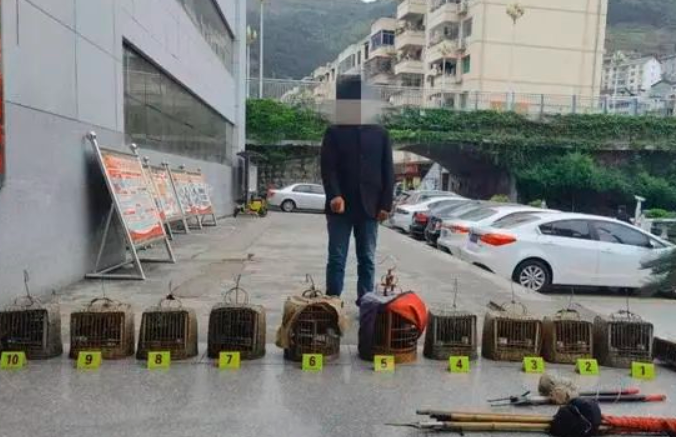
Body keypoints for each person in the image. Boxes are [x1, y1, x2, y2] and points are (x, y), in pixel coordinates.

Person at [321, 75, 395, 307]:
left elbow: (388, 171)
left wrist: (385, 204)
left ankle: (366, 303)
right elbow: (328, 168)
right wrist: (334, 194)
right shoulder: (334, 132)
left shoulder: (380, 134)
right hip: (340, 208)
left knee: (367, 259)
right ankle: (333, 302)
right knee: (337, 258)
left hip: (370, 207)